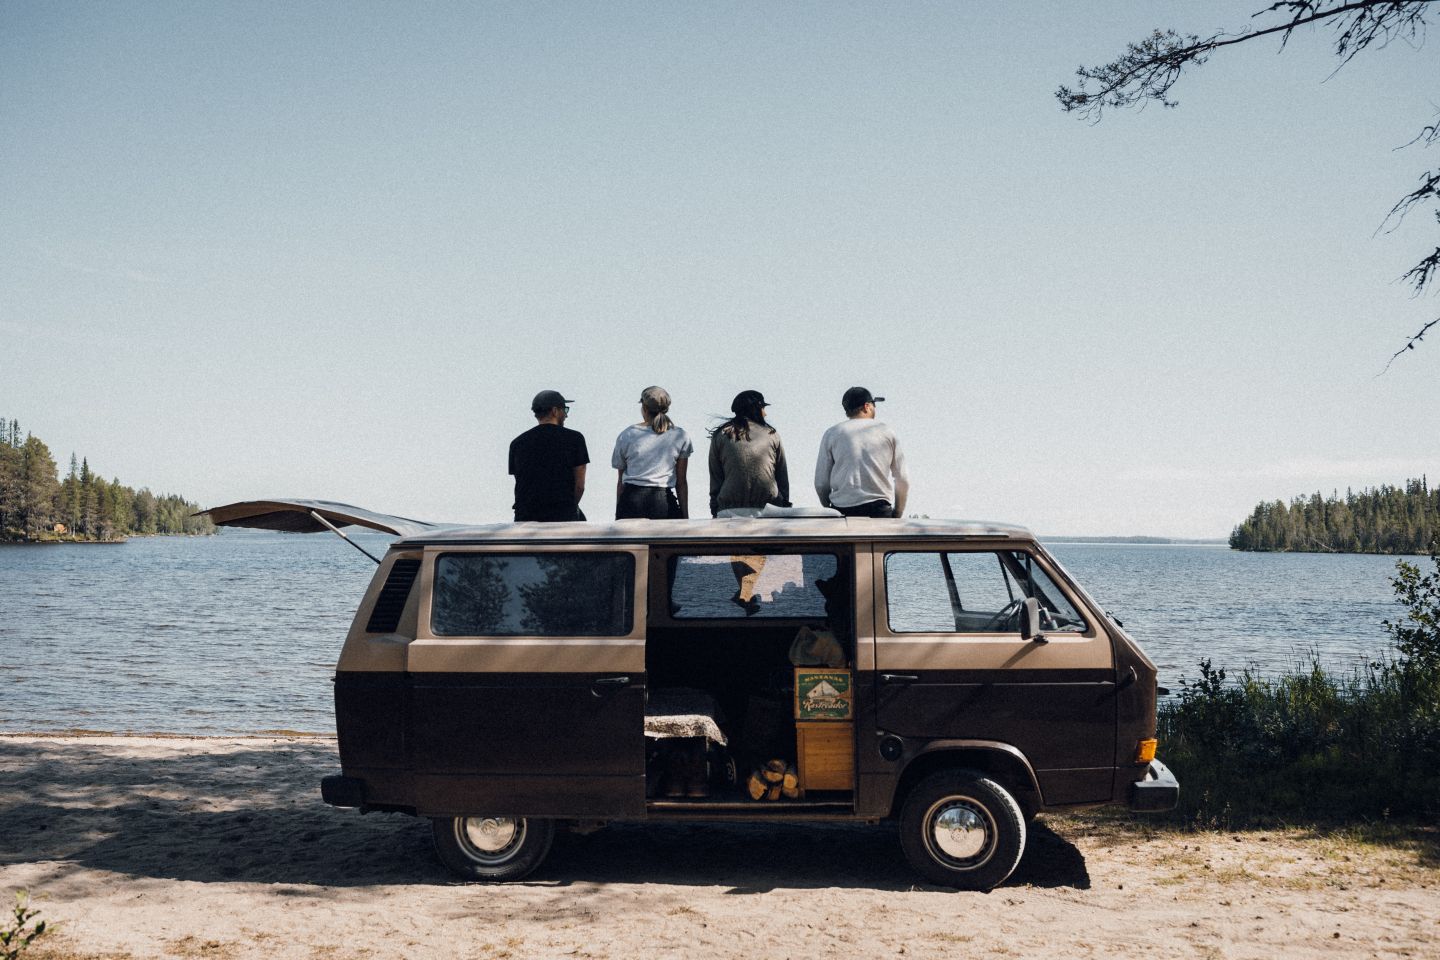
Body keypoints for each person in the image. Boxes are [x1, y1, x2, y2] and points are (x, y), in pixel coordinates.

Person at [814, 386, 909, 518]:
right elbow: (902, 479)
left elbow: (821, 483)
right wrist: (897, 512)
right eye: (874, 405)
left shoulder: (832, 434)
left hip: (842, 510)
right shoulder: (887, 432)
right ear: (866, 406)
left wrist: (829, 508)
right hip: (879, 509)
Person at [612, 386, 693, 519]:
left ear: (644, 408)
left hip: (631, 501)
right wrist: (685, 516)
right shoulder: (680, 436)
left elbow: (621, 481)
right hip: (663, 501)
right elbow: (681, 482)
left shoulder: (627, 435)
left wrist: (618, 512)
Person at [508, 389, 588, 522]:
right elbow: (580, 485)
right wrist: (570, 507)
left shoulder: (517, 443)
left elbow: (521, 481)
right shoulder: (575, 439)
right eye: (565, 410)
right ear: (555, 411)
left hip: (526, 514)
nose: (566, 415)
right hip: (562, 513)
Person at [707, 389, 789, 517]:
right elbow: (781, 475)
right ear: (756, 409)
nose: (765, 414)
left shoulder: (721, 435)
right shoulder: (771, 435)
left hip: (728, 510)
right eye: (763, 408)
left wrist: (714, 507)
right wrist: (784, 504)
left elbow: (716, 476)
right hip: (768, 510)